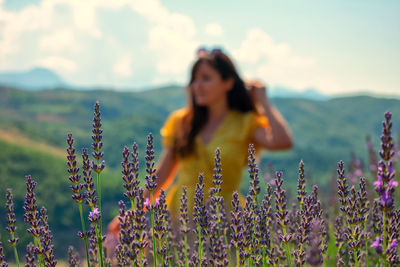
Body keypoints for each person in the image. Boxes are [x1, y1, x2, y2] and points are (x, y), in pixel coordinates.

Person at [107, 46, 293, 239]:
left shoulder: (245, 123)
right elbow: (164, 172)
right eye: (194, 79)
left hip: (226, 219)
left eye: (205, 78)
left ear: (228, 83)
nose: (197, 85)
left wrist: (263, 101)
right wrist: (136, 210)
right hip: (180, 215)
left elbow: (282, 141)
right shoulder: (182, 121)